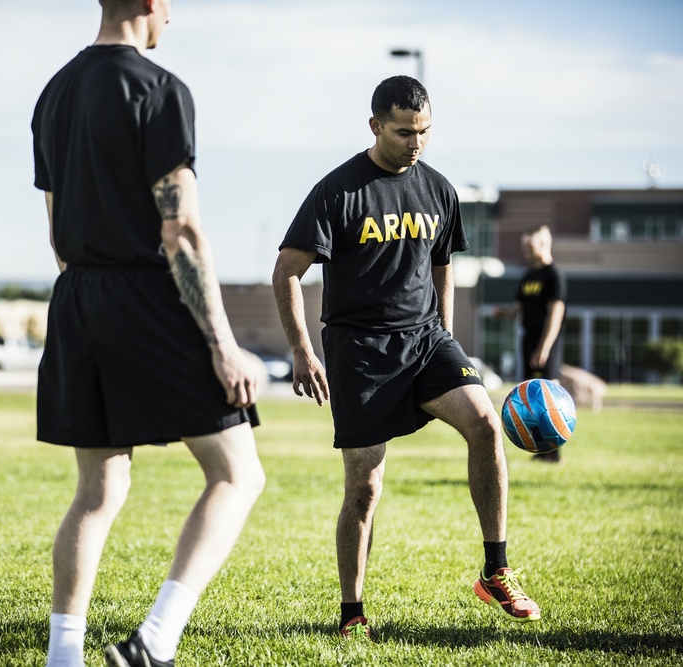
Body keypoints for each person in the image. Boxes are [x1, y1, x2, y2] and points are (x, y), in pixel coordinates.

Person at [31, 2, 265, 666]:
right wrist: (222, 342)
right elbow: (182, 229)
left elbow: (55, 232)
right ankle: (155, 642)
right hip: (147, 293)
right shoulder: (159, 89)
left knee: (98, 489)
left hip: (76, 293)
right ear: (152, 3)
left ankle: (63, 657)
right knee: (237, 472)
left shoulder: (54, 93)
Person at [272, 75, 541, 639]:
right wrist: (301, 350)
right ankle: (352, 613)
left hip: (425, 341)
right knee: (365, 488)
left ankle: (497, 568)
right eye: (403, 132)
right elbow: (287, 272)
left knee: (487, 424)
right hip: (360, 351)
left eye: (424, 132)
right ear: (375, 126)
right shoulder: (338, 191)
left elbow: (443, 259)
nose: (415, 142)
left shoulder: (439, 189)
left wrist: (444, 327)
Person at [501, 225, 567, 463]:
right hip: (528, 338)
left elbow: (555, 313)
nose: (525, 251)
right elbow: (518, 307)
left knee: (549, 397)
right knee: (531, 398)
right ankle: (540, 450)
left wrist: (545, 348)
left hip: (545, 339)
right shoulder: (528, 275)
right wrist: (503, 313)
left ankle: (554, 452)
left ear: (543, 244)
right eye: (524, 247)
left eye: (529, 246)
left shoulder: (553, 275)